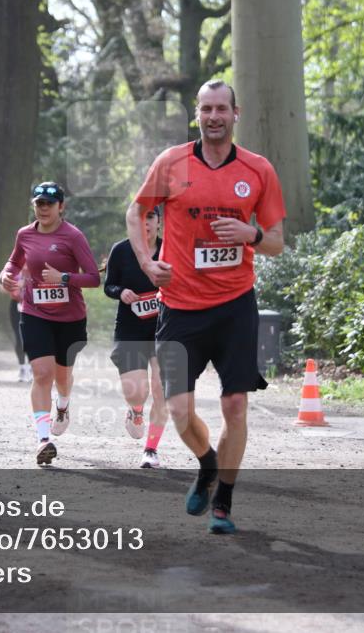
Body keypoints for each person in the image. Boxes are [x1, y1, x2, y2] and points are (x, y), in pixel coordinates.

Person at [125, 80, 286, 534]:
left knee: (235, 405)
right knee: (178, 410)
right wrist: (145, 261)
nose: (214, 116)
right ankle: (208, 464)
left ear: (237, 113)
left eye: (222, 109)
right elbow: (136, 212)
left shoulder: (258, 170)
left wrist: (251, 235)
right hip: (180, 307)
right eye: (206, 109)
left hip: (235, 306)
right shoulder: (172, 162)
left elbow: (276, 241)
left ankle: (224, 504)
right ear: (197, 114)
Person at [0, 182, 100, 466]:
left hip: (70, 318)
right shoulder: (25, 234)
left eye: (49, 204)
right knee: (42, 374)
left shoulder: (73, 236)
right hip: (35, 313)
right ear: (34, 206)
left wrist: (65, 278)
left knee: (62, 377)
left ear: (61, 207)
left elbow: (93, 277)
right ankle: (43, 439)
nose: (43, 208)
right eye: (39, 203)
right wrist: (5, 275)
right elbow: (13, 263)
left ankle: (63, 405)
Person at [104, 205, 168, 468]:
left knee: (161, 389)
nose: (146, 223)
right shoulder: (121, 250)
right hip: (130, 329)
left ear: (159, 222)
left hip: (165, 329)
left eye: (151, 217)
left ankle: (151, 450)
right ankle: (136, 410)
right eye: (140, 219)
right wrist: (121, 292)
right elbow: (108, 285)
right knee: (137, 391)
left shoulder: (170, 249)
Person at [0, 271, 32, 383]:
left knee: (33, 337)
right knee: (19, 337)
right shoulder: (14, 271)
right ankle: (22, 367)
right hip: (16, 306)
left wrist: (28, 283)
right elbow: (2, 289)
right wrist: (14, 285)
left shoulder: (37, 268)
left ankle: (33, 368)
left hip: (34, 306)